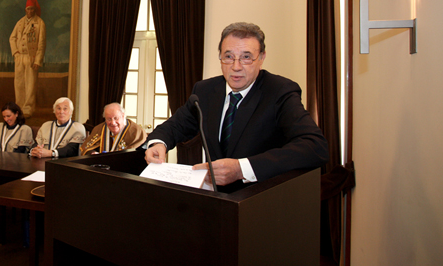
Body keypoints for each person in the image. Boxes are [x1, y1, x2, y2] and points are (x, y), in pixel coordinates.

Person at [145, 22, 328, 192]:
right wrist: (158, 143)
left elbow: (314, 146)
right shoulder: (205, 90)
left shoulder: (279, 91)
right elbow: (176, 126)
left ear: (261, 58)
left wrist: (242, 169)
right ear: (220, 58)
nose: (236, 66)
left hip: (261, 203)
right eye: (229, 57)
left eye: (246, 57)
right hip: (216, 202)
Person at [9, 0, 46, 118]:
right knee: (19, 83)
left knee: (30, 84)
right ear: (25, 10)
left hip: (31, 57)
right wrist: (15, 52)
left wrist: (37, 60)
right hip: (20, 57)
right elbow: (12, 38)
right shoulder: (20, 22)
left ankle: (28, 108)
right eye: (28, 9)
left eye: (32, 9)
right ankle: (18, 107)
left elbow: (41, 44)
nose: (30, 11)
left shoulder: (40, 23)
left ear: (35, 10)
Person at [80, 103, 147, 155]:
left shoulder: (137, 132)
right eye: (109, 119)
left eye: (116, 118)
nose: (113, 123)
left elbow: (137, 154)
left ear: (123, 116)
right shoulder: (99, 129)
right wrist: (93, 153)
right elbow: (86, 148)